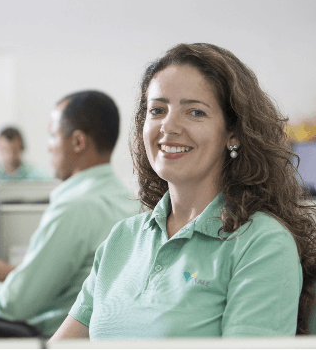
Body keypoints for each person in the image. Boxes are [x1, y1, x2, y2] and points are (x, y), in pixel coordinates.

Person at [51, 43, 316, 341]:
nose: (169, 126)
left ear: (233, 133)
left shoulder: (262, 243)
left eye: (195, 112)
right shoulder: (123, 238)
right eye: (157, 110)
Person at [0, 90, 140, 336]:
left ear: (78, 142)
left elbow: (14, 304)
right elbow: (80, 281)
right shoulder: (127, 200)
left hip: (52, 335)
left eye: (53, 135)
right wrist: (18, 276)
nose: (48, 146)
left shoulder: (76, 206)